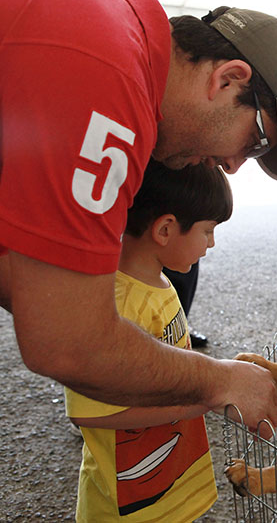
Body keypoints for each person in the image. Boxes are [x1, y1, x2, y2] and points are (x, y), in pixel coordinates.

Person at [0, 0, 277, 432]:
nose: (235, 165)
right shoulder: (114, 83)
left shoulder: (116, 43)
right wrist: (219, 380)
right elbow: (67, 344)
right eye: (256, 140)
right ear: (227, 79)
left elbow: (31, 285)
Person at [65, 160, 232, 521]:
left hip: (168, 486)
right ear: (166, 229)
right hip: (127, 505)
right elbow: (88, 412)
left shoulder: (159, 282)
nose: (212, 243)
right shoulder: (117, 306)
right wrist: (204, 397)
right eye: (208, 230)